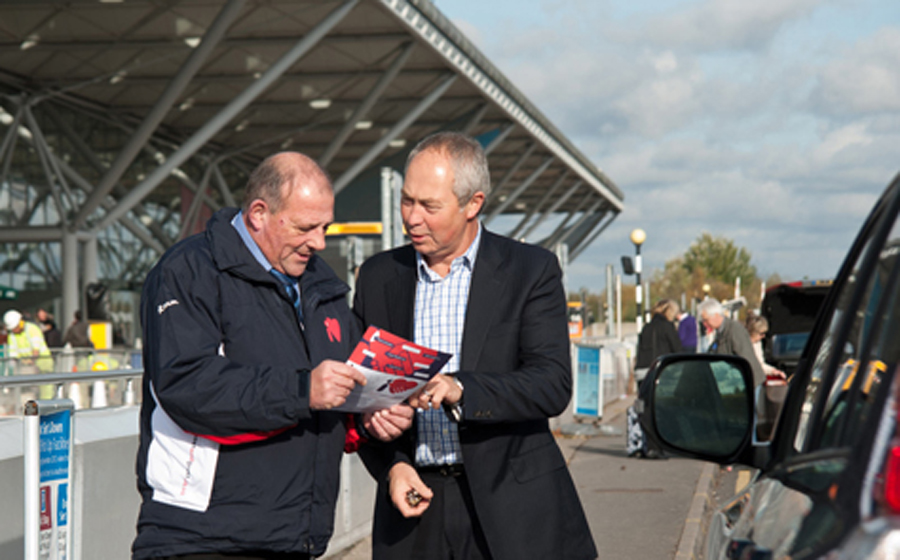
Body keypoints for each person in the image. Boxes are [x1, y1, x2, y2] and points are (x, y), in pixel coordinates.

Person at [132, 152, 412, 560]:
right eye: (305, 227)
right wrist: (303, 390)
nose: (319, 242)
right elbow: (186, 384)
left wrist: (372, 417)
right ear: (259, 214)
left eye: (325, 227)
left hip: (294, 537)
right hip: (201, 537)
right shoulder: (189, 270)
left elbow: (344, 385)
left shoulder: (322, 284)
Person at [354, 132, 597, 560]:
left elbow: (551, 383)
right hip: (412, 507)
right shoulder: (377, 277)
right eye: (407, 201)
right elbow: (361, 388)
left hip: (513, 510)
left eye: (429, 206)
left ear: (473, 204)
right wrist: (389, 457)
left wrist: (461, 389)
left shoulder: (530, 270)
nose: (412, 217)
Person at [629, 299, 682, 458]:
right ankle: (658, 447)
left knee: (646, 410)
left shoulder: (647, 327)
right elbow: (677, 349)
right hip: (660, 372)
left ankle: (648, 446)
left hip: (642, 372)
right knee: (661, 410)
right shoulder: (667, 327)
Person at [697, 298, 764, 387]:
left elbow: (746, 360)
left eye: (706, 320)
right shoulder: (720, 331)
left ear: (716, 315)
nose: (705, 324)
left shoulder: (734, 330)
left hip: (749, 383)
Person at [3, 309, 54, 398]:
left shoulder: (32, 329)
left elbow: (36, 350)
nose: (15, 330)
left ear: (20, 322)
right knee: (27, 390)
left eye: (15, 327)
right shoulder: (12, 336)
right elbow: (13, 354)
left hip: (43, 362)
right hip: (26, 365)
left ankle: (47, 407)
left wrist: (30, 362)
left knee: (46, 388)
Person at [744, 313, 786, 380]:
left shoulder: (757, 344)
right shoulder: (741, 344)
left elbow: (760, 365)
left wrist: (773, 371)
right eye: (761, 333)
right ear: (753, 332)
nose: (764, 336)